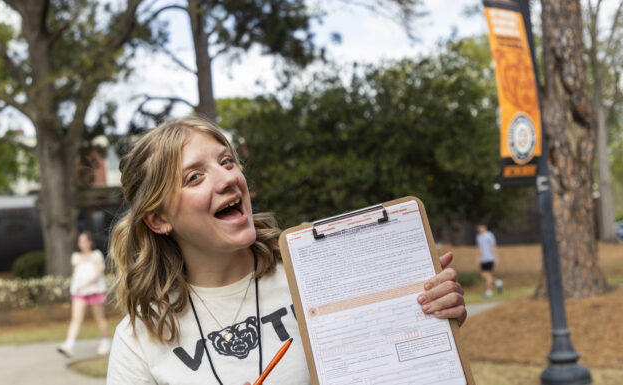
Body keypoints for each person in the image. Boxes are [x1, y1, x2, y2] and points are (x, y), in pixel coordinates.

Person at [106, 117, 467, 385]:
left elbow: (398, 365)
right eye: (195, 177)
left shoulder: (320, 275)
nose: (228, 178)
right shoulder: (139, 339)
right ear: (158, 220)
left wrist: (428, 316)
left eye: (227, 161)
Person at [57, 231, 111, 357]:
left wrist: (86, 284)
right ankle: (69, 345)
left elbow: (98, 273)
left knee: (100, 318)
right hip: (79, 293)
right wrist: (77, 287)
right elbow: (76, 274)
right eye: (80, 241)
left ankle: (105, 342)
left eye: (85, 241)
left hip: (95, 291)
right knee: (76, 319)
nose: (83, 244)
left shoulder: (96, 255)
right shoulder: (75, 257)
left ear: (90, 242)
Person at [475, 223, 501, 298]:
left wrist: (496, 257)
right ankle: (498, 282)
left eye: (480, 226)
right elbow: (479, 248)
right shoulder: (478, 237)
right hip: (483, 259)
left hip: (490, 258)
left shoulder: (489, 235)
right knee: (483, 276)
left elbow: (493, 246)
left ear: (484, 227)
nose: (479, 228)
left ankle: (489, 292)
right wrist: (477, 258)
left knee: (488, 275)